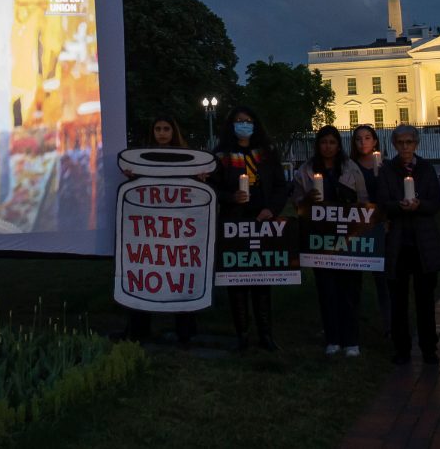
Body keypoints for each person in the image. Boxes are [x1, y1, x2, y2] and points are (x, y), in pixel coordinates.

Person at [291, 125, 369, 356]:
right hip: (319, 238)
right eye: (324, 142)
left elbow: (363, 200)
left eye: (332, 142)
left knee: (349, 289)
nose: (328, 147)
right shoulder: (305, 170)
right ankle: (332, 337)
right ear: (318, 145)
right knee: (327, 289)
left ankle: (351, 338)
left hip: (346, 237)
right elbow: (296, 203)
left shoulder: (350, 168)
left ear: (338, 145)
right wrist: (307, 199)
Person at [212, 105, 285, 351]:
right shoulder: (221, 155)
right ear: (231, 125)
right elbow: (212, 189)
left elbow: (279, 186)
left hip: (262, 220)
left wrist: (271, 210)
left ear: (255, 124)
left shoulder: (267, 153)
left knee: (262, 277)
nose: (244, 124)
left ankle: (266, 333)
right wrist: (231, 197)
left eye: (248, 120)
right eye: (239, 121)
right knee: (237, 279)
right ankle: (242, 332)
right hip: (234, 221)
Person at [123, 115, 200, 344]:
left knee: (181, 275)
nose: (162, 133)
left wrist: (201, 179)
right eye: (158, 128)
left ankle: (185, 331)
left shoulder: (188, 159)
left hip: (178, 228)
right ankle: (139, 328)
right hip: (149, 229)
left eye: (166, 128)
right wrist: (132, 177)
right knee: (143, 273)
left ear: (173, 131)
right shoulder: (142, 159)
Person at [376, 124, 440, 364]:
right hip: (398, 242)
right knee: (399, 300)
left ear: (416, 144)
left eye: (409, 142)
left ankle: (429, 348)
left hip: (423, 242)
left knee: (425, 299)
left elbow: (435, 202)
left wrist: (419, 206)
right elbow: (383, 202)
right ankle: (402, 348)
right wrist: (400, 206)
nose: (405, 147)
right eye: (401, 143)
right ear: (394, 145)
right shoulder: (387, 169)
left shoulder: (426, 169)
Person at [350, 124, 392, 336]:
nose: (363, 142)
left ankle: (389, 325)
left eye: (367, 138)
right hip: (357, 228)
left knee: (383, 279)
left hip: (381, 229)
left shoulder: (385, 166)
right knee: (353, 280)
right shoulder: (348, 167)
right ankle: (352, 325)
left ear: (375, 141)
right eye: (358, 139)